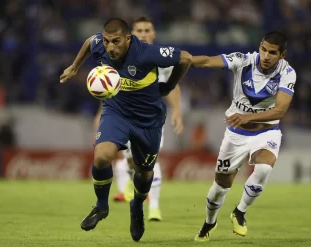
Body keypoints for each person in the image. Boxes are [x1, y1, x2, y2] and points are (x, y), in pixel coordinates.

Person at [60, 18, 191, 242]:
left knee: (144, 172)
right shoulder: (99, 44)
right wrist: (74, 67)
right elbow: (90, 41)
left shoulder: (147, 53)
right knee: (102, 157)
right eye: (108, 41)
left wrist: (168, 87)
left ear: (128, 39)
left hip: (148, 121)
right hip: (116, 113)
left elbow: (186, 58)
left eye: (116, 42)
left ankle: (137, 205)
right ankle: (101, 206)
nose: (110, 47)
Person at [190, 31, 296, 241]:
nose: (266, 56)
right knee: (220, 188)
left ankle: (239, 212)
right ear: (259, 46)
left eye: (272, 53)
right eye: (263, 49)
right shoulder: (243, 60)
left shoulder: (287, 72)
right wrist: (185, 60)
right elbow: (208, 62)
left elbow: (281, 110)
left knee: (264, 168)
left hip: (267, 131)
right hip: (236, 134)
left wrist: (247, 116)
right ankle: (210, 222)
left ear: (282, 55)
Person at [91, 17, 184, 222]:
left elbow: (173, 84)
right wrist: (101, 113)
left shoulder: (157, 55)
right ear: (131, 35)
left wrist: (177, 110)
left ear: (153, 33)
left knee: (144, 166)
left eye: (147, 30)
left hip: (150, 120)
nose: (143, 33)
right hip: (121, 115)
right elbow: (110, 84)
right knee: (115, 157)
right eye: (139, 30)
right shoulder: (115, 52)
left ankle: (151, 206)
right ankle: (121, 196)